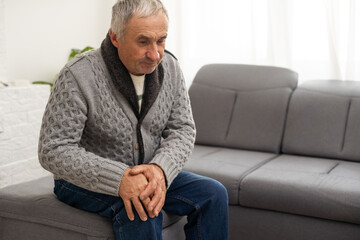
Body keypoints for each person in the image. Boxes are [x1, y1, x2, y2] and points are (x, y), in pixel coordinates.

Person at [38, 0, 228, 239]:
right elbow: (53, 149)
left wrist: (159, 170)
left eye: (161, 40)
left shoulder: (171, 67)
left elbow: (182, 129)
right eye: (143, 41)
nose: (155, 53)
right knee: (141, 209)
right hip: (80, 181)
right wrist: (119, 179)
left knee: (213, 193)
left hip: (148, 172)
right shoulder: (77, 75)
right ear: (116, 37)